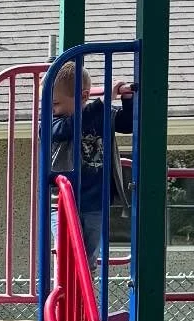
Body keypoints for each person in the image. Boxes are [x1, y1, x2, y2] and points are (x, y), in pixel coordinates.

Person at [49, 61, 135, 269]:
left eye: (56, 104)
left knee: (88, 259)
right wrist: (101, 105)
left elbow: (127, 123)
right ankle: (66, 295)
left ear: (83, 97)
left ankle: (82, 298)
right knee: (68, 253)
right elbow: (63, 130)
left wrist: (128, 100)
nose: (51, 110)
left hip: (95, 202)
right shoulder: (54, 122)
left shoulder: (100, 114)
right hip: (62, 202)